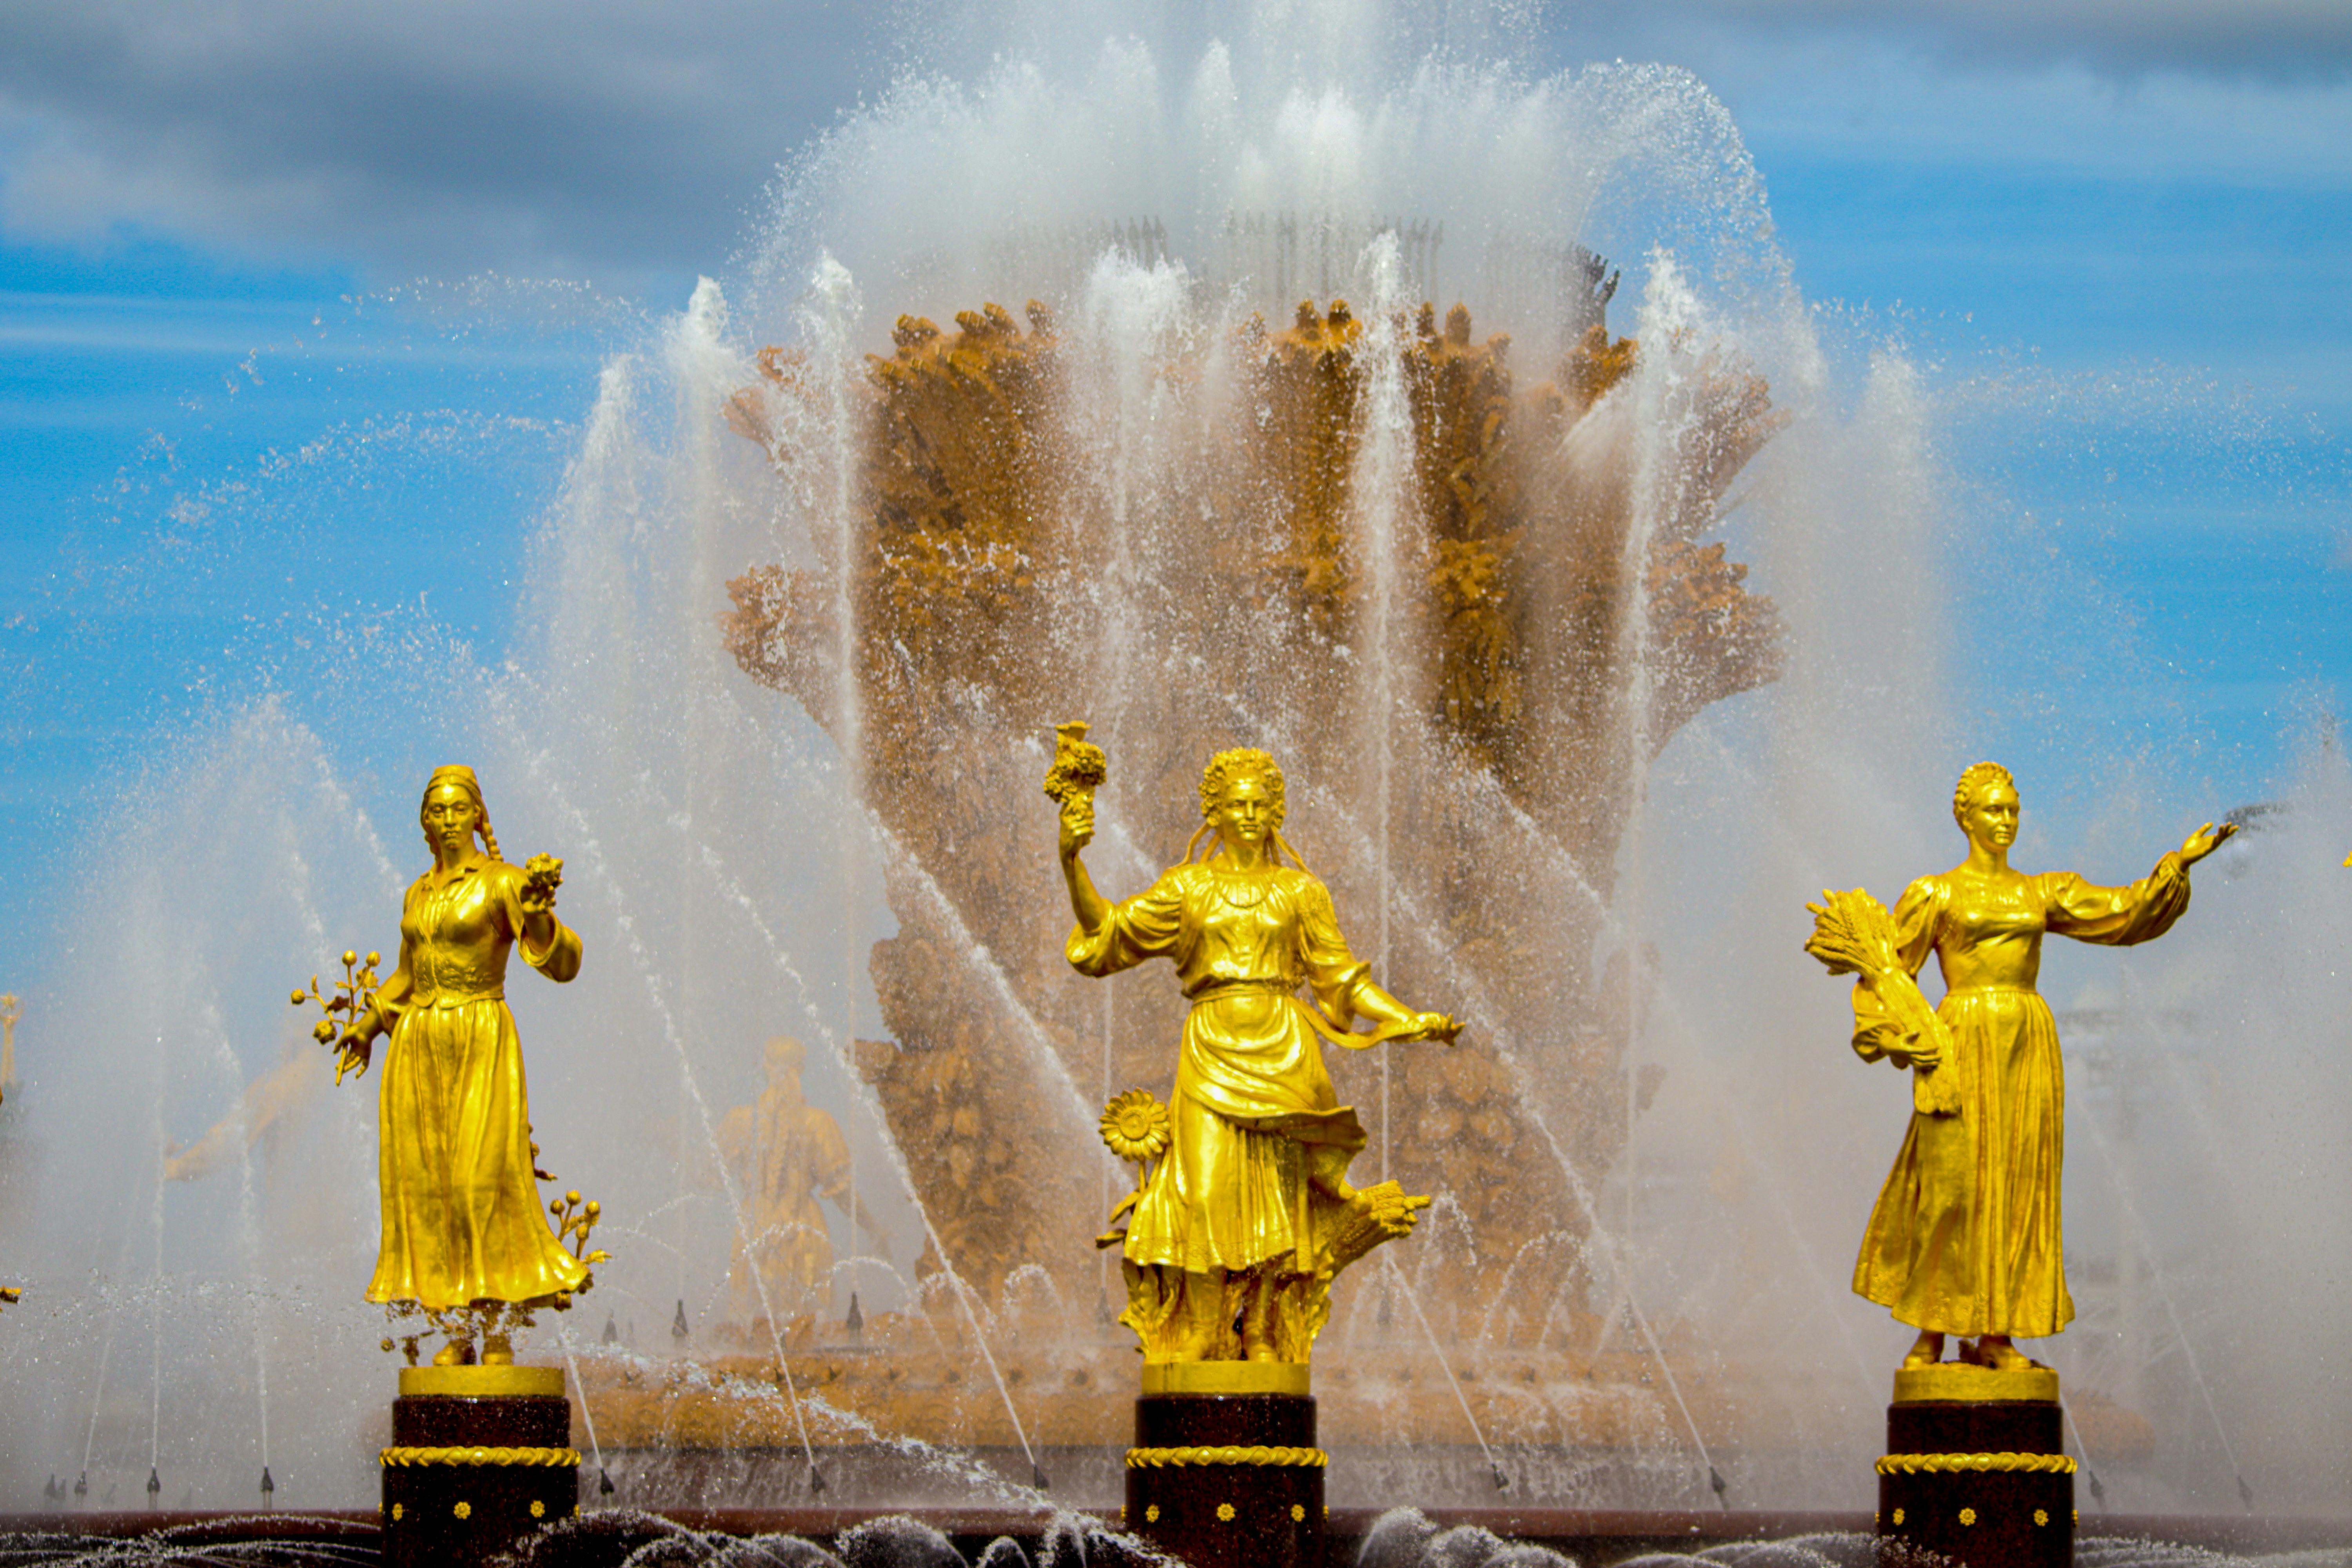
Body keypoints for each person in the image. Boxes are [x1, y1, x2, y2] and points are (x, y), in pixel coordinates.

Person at [1060, 746, 1459, 1363]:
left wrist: (1406, 1018)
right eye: (1236, 805)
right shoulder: (1187, 887)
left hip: (1285, 1047)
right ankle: (1199, 1326)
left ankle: (1266, 1327)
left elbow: (1341, 979)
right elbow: (1109, 931)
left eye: (1260, 805)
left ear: (1276, 813)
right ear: (1212, 813)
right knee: (1205, 1187)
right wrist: (1070, 857)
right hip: (1212, 1042)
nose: (1248, 815)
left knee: (1278, 1189)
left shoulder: (1300, 892)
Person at [1851, 761, 2234, 1372]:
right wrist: (1904, 1037)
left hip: (2028, 1044)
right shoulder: (1936, 893)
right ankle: (1931, 1328)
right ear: (1966, 817)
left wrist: (2176, 868)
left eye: (2013, 811)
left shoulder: (2041, 892)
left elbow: (2121, 914)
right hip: (1959, 1043)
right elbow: (1888, 972)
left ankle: (1996, 1335)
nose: (2006, 822)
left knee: (2016, 1188)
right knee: (1949, 1187)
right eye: (1993, 811)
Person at [338, 764, 587, 1364]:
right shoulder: (418, 893)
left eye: (458, 809)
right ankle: (457, 1330)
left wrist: (540, 914)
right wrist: (368, 1027)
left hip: (481, 1036)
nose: (448, 821)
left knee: (484, 1184)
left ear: (479, 815)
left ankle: (501, 1327)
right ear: (425, 823)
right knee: (433, 1193)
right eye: (437, 811)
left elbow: (564, 964)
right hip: (418, 1046)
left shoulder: (504, 882)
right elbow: (407, 973)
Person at [717, 1035, 885, 1323]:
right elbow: (844, 1193)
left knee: (750, 1326)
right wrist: (872, 1227)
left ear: (765, 1067)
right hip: (805, 1229)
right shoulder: (819, 1123)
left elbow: (707, 1174)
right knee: (808, 1327)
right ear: (802, 1069)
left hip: (755, 1226)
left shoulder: (739, 1121)